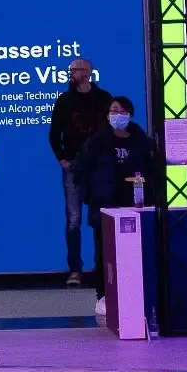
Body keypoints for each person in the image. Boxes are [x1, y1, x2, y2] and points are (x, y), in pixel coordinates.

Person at [73, 96, 156, 298]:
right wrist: (90, 195)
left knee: (136, 252)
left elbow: (153, 172)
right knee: (105, 253)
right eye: (113, 111)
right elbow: (80, 169)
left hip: (134, 203)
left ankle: (137, 294)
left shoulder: (142, 141)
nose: (117, 115)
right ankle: (103, 295)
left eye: (121, 111)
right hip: (105, 205)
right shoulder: (97, 140)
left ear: (130, 114)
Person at [48, 58, 111, 286]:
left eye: (75, 71)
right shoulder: (64, 101)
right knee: (74, 220)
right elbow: (54, 133)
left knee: (101, 218)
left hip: (99, 166)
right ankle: (75, 269)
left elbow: (112, 129)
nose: (71, 74)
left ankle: (103, 267)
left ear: (87, 73)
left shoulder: (104, 99)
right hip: (74, 166)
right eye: (70, 70)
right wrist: (62, 159)